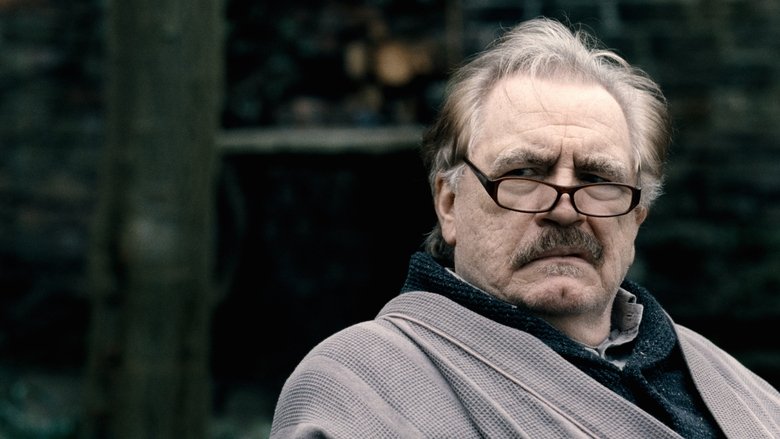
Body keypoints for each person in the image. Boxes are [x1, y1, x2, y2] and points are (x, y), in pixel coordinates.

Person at [269, 17, 780, 438]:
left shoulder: (737, 387)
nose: (565, 210)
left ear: (637, 214)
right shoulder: (361, 387)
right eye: (525, 174)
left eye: (598, 179)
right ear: (449, 202)